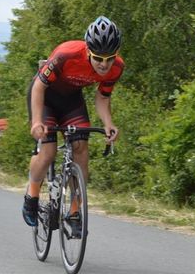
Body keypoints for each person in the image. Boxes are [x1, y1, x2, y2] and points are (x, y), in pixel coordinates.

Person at [22, 16, 123, 227]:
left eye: (109, 58)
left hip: (71, 101)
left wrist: (108, 123)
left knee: (81, 147)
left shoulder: (116, 68)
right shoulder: (65, 55)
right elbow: (39, 87)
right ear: (88, 51)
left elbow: (103, 97)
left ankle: (75, 211)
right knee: (48, 152)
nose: (104, 65)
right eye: (98, 58)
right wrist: (37, 121)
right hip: (45, 98)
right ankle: (31, 196)